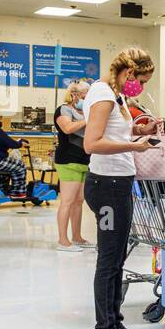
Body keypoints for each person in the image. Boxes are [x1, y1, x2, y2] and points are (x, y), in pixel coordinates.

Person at [82, 47, 158, 329]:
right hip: (107, 187)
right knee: (109, 259)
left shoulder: (115, 96)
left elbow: (113, 133)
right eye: (142, 80)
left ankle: (114, 322)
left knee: (117, 258)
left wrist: (139, 131)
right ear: (129, 73)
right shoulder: (102, 95)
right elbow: (92, 143)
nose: (141, 87)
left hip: (119, 184)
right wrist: (135, 148)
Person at [54, 81, 92, 251]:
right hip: (68, 160)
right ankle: (63, 241)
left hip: (84, 160)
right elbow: (68, 128)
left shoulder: (83, 111)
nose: (87, 98)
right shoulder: (64, 109)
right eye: (85, 94)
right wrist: (88, 120)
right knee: (67, 202)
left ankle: (77, 237)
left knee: (78, 201)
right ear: (74, 94)